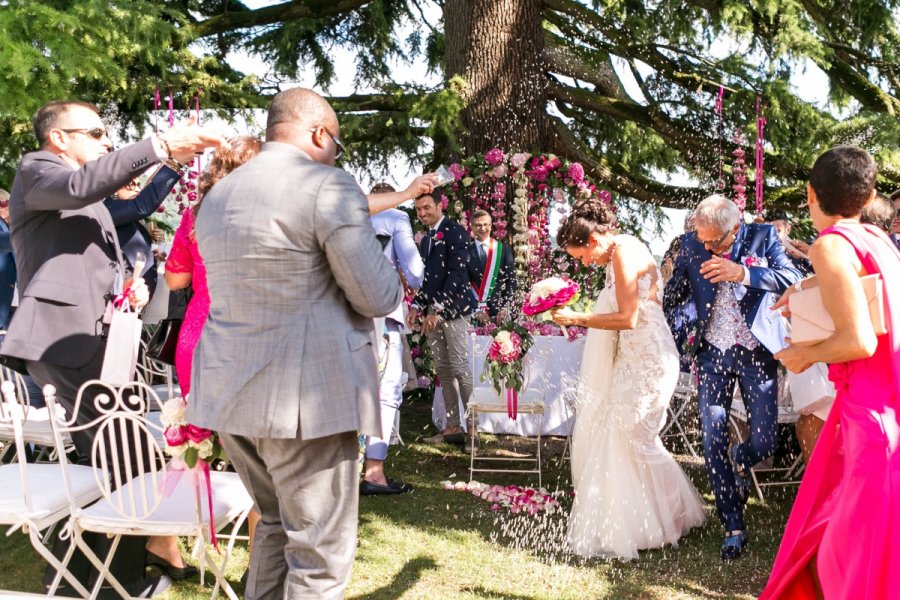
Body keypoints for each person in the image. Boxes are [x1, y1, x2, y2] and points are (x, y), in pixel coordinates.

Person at [0, 99, 224, 597]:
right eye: (97, 133)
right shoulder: (39, 170)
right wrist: (161, 147)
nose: (107, 142)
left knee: (118, 458)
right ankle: (105, 582)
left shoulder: (78, 191)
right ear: (59, 137)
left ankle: (90, 576)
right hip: (63, 335)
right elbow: (85, 186)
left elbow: (90, 250)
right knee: (124, 456)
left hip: (96, 335)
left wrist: (128, 282)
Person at [187, 87, 402, 600]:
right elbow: (376, 294)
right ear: (319, 133)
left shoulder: (219, 193)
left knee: (278, 524)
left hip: (231, 393)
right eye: (338, 144)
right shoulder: (328, 185)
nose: (336, 155)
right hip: (306, 398)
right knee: (321, 555)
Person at [760, 146, 900, 599]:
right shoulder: (878, 239)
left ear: (810, 194)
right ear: (870, 195)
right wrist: (803, 287)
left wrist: (804, 354)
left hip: (867, 418)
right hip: (883, 410)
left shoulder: (829, 244)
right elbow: (864, 286)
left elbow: (858, 341)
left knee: (844, 556)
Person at [550, 199, 705, 560]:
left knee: (638, 438)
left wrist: (578, 319)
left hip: (649, 360)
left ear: (593, 241)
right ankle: (641, 520)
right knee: (624, 436)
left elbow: (629, 318)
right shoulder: (623, 252)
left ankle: (676, 513)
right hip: (633, 359)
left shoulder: (622, 251)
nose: (584, 264)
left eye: (582, 256)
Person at [663, 194, 801, 560]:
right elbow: (674, 296)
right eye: (703, 239)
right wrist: (682, 331)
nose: (707, 246)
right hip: (711, 355)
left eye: (715, 241)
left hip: (757, 352)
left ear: (736, 228)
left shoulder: (764, 236)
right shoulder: (692, 245)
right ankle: (733, 524)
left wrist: (744, 272)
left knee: (766, 440)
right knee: (712, 437)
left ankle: (743, 456)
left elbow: (793, 277)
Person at [362, 182, 424, 495]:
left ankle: (342, 469)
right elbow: (415, 272)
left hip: (342, 313)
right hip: (383, 314)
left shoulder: (347, 210)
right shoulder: (397, 218)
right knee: (385, 393)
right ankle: (374, 473)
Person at [410, 193, 476, 447]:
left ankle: (473, 430)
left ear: (440, 205)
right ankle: (452, 426)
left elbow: (458, 275)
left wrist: (436, 308)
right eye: (418, 209)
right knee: (444, 371)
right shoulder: (427, 238)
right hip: (432, 314)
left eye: (427, 207)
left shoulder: (456, 232)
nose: (422, 213)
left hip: (456, 311)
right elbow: (428, 278)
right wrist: (418, 305)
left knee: (460, 368)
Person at [103, 163, 182, 298]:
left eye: (139, 184)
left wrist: (153, 257)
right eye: (132, 184)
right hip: (117, 295)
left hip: (133, 297)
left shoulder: (129, 219)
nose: (138, 189)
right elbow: (141, 206)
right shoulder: (108, 208)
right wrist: (173, 164)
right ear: (114, 187)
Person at [467, 209, 516, 324]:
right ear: (472, 227)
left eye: (485, 224)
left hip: (500, 313)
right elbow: (464, 284)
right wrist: (476, 310)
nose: (482, 228)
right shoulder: (465, 251)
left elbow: (511, 281)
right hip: (474, 313)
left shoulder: (503, 249)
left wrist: (505, 308)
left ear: (490, 225)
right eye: (478, 225)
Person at [764, 209, 813, 275]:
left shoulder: (801, 253)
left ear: (788, 230)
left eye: (777, 231)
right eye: (768, 231)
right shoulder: (757, 253)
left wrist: (809, 255)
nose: (771, 236)